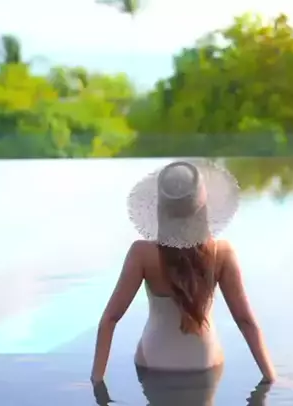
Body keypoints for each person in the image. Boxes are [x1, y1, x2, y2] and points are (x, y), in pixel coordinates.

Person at [90, 159, 277, 404]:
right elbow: (245, 321)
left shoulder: (142, 254)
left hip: (154, 363)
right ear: (204, 208)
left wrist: (96, 382)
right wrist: (270, 378)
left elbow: (110, 319)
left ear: (160, 208)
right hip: (205, 364)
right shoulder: (222, 253)